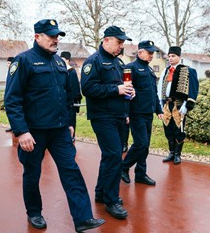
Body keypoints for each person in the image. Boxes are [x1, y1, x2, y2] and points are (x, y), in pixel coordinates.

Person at [4, 19, 105, 232]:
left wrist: (69, 123)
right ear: (37, 36)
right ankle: (34, 212)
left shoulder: (60, 63)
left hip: (59, 131)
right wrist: (21, 131)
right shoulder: (23, 61)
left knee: (71, 171)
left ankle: (83, 218)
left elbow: (67, 96)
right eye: (51, 36)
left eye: (57, 36)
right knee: (32, 174)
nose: (55, 39)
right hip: (34, 132)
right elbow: (12, 99)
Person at [81, 25, 134, 219]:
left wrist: (128, 93)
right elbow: (87, 88)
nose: (121, 46)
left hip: (119, 115)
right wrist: (117, 90)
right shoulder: (93, 61)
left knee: (109, 156)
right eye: (119, 42)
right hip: (102, 117)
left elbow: (122, 88)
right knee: (113, 155)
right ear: (106, 40)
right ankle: (112, 200)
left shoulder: (119, 63)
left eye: (122, 42)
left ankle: (101, 193)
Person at [120, 40, 163, 186]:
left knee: (146, 145)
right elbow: (126, 93)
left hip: (148, 112)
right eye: (149, 53)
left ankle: (140, 174)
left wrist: (158, 109)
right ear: (140, 52)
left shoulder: (150, 70)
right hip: (136, 112)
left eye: (153, 53)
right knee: (141, 143)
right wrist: (125, 113)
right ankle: (123, 167)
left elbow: (153, 93)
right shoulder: (130, 68)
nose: (151, 55)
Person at [157, 46, 199, 164]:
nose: (170, 58)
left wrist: (187, 105)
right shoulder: (165, 71)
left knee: (179, 130)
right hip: (167, 105)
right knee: (168, 129)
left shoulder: (188, 71)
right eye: (169, 56)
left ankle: (177, 154)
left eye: (173, 56)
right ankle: (171, 152)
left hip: (179, 105)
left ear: (179, 57)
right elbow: (160, 88)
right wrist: (160, 104)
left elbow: (193, 89)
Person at [60, 51, 82, 142]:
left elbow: (74, 88)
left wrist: (73, 101)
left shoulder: (71, 72)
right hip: (62, 101)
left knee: (71, 119)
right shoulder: (60, 70)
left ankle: (72, 136)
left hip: (70, 101)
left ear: (68, 60)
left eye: (63, 60)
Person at [5, 57, 14, 133]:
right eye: (7, 63)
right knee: (9, 111)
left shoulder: (14, 72)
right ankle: (12, 125)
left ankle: (15, 127)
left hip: (13, 94)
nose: (8, 64)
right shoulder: (7, 72)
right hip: (7, 94)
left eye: (9, 63)